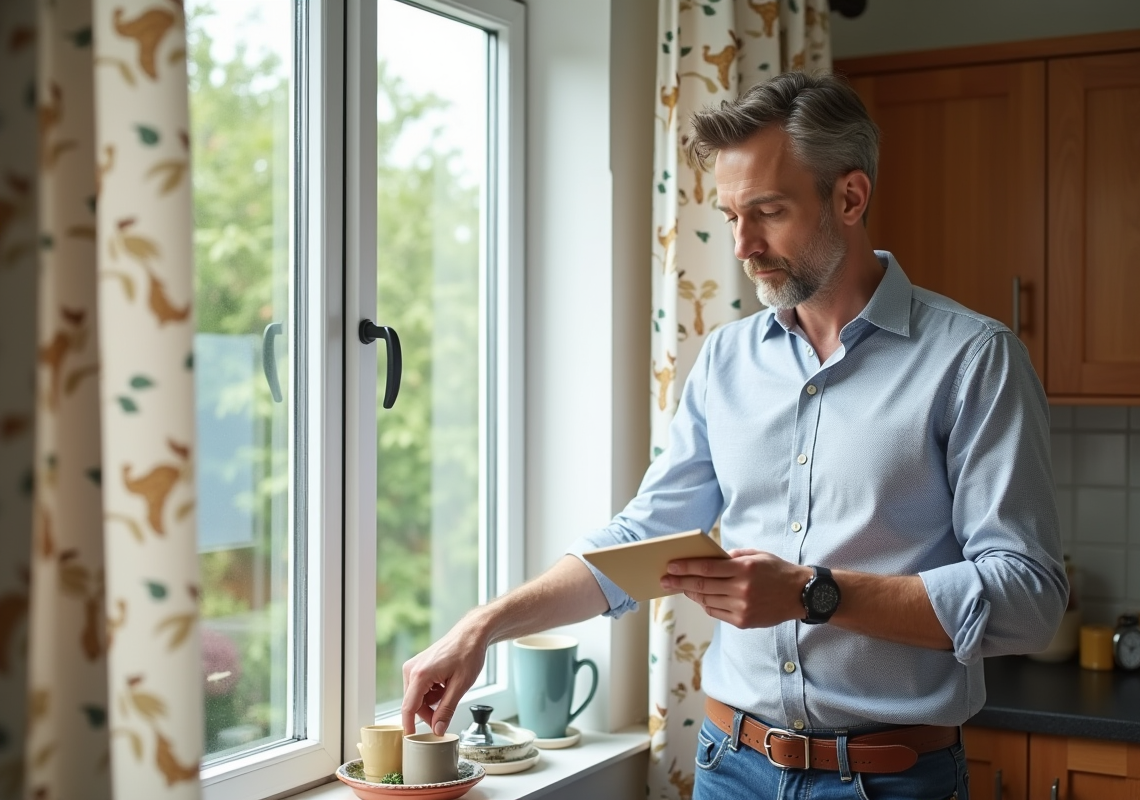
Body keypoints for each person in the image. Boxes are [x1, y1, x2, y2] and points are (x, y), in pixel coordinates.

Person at [401, 71, 1066, 800]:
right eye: (729, 215)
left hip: (892, 782)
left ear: (849, 197)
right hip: (730, 768)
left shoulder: (973, 358)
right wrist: (481, 626)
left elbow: (1029, 599)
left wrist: (814, 594)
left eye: (769, 212)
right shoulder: (725, 358)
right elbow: (644, 537)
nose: (744, 245)